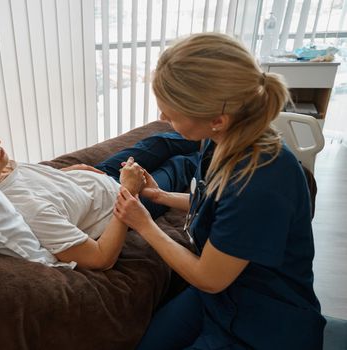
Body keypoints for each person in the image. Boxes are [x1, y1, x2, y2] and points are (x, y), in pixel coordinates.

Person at [114, 33, 326, 349]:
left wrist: (143, 224)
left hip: (266, 322)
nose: (162, 118)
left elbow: (209, 278)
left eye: (170, 113)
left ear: (218, 119)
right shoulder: (224, 143)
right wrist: (161, 197)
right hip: (222, 299)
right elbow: (216, 202)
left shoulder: (261, 181)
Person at [0, 115, 199, 270]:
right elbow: (101, 258)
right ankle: (223, 153)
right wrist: (130, 193)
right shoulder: (28, 211)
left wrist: (67, 173)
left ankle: (206, 135)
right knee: (183, 166)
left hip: (96, 178)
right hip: (123, 203)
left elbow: (35, 183)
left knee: (161, 140)